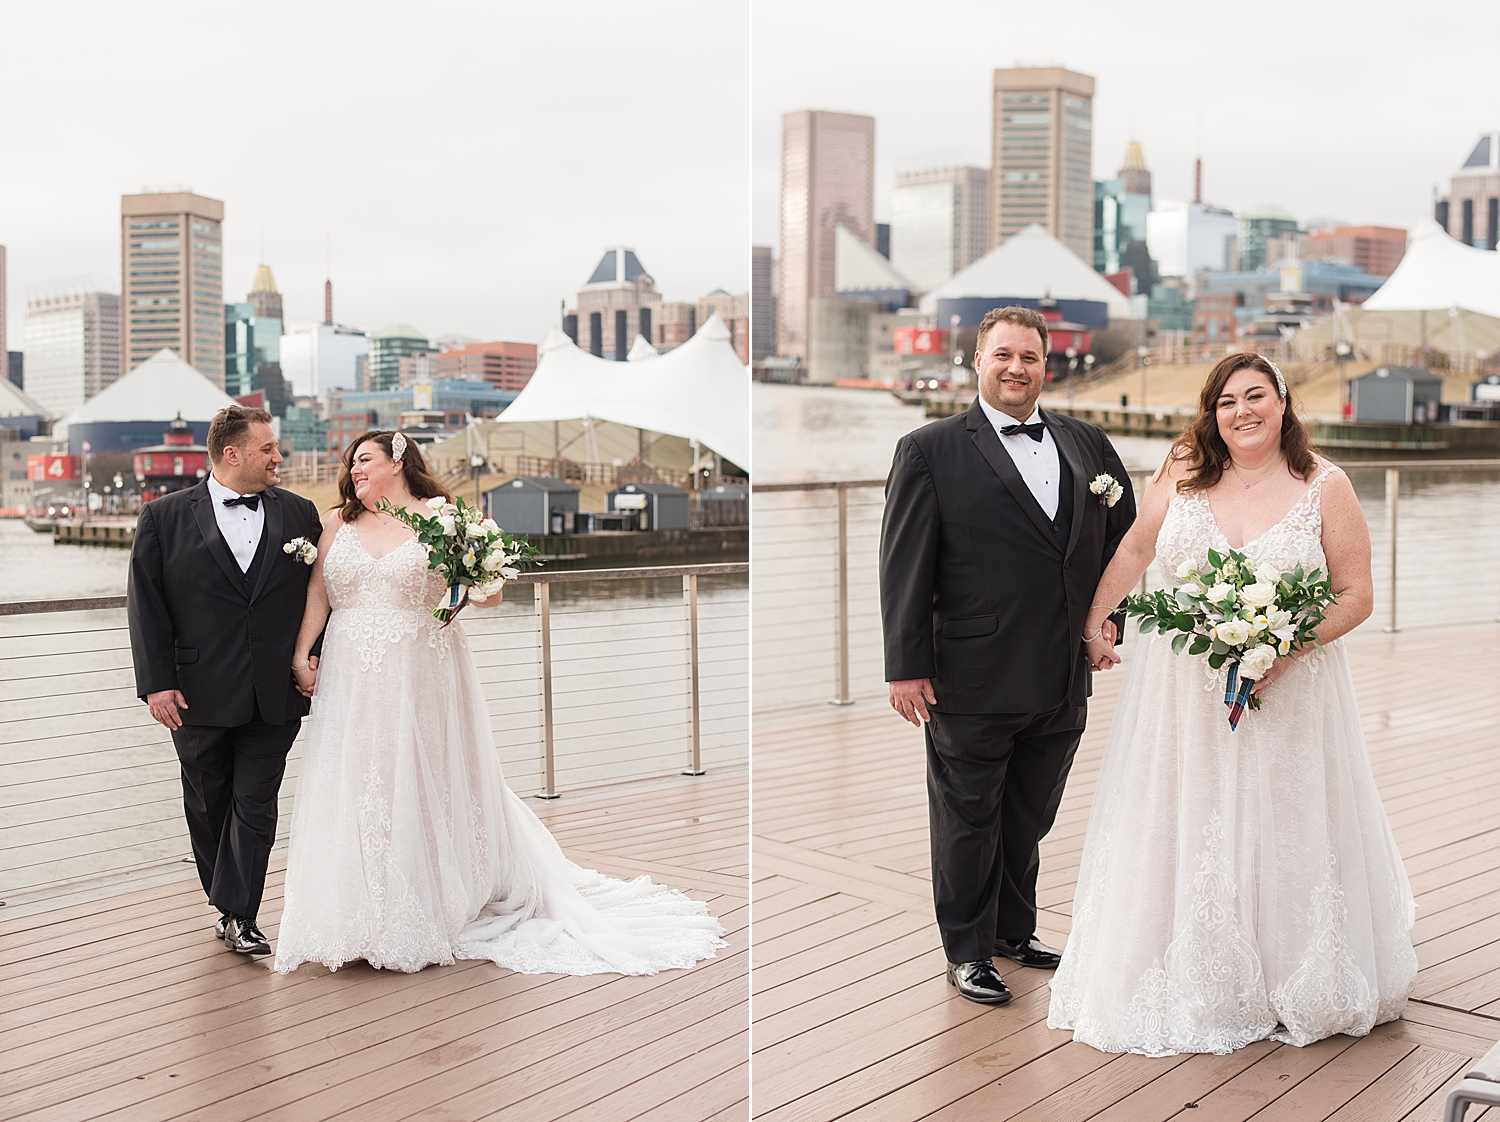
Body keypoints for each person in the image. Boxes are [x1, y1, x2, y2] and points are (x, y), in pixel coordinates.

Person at [1048, 353, 1417, 1055]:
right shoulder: (1184, 470)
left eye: (1255, 396)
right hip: (1183, 698)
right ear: (1211, 412)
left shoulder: (1324, 484)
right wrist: (1098, 615)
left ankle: (1290, 970)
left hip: (1293, 691)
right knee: (1188, 811)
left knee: (1286, 817)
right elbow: (1134, 547)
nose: (1241, 411)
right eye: (1226, 402)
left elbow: (1357, 594)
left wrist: (1287, 648)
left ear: (1283, 402)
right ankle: (1194, 969)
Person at [272, 430, 725, 975]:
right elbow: (318, 593)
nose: (354, 469)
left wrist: (476, 573)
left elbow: (490, 594)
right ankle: (353, 912)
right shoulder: (335, 524)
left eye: (364, 459)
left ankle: (427, 901)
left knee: (419, 777)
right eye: (352, 463)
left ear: (398, 460)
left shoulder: (446, 520)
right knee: (356, 780)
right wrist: (301, 655)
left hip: (421, 666)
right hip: (350, 672)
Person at [879, 306, 1137, 1005]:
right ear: (977, 362)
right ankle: (966, 950)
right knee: (967, 821)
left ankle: (1012, 932)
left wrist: (1108, 620)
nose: (1016, 368)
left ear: (1045, 366)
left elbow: (1124, 543)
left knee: (1029, 817)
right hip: (972, 676)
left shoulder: (1088, 445)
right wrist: (906, 665)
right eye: (1002, 356)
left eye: (1029, 357)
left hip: (1062, 674)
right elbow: (904, 564)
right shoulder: (928, 449)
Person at [128, 405, 324, 956]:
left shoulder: (301, 514)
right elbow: (146, 606)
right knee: (208, 802)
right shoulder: (162, 517)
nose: (278, 457)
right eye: (268, 449)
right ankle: (227, 901)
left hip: (274, 690)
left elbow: (323, 596)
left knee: (256, 803)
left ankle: (240, 913)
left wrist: (315, 656)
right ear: (232, 453)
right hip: (195, 691)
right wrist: (155, 684)